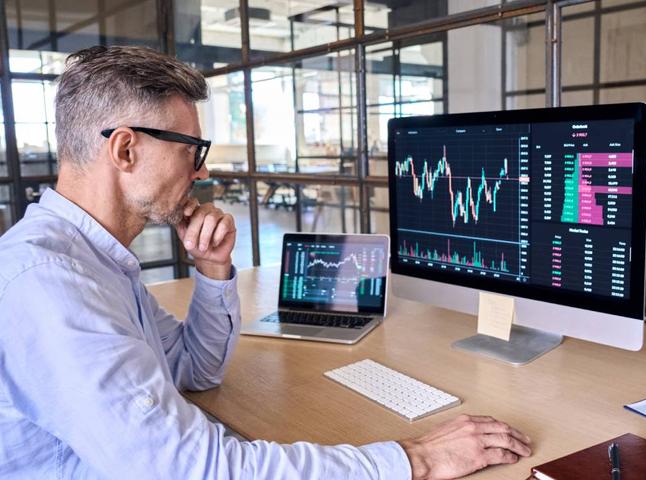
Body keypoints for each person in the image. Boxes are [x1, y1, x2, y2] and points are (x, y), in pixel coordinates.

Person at [0, 46, 532, 479]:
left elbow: (194, 370)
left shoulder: (95, 264)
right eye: (191, 148)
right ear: (125, 151)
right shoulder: (52, 285)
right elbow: (192, 470)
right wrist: (415, 458)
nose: (202, 171)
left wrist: (212, 272)